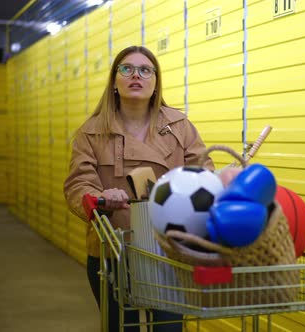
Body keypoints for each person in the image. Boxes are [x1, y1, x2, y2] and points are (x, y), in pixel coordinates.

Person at [63, 45, 214, 331]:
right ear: (115, 81)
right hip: (113, 253)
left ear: (156, 83)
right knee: (122, 326)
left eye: (145, 70)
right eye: (127, 69)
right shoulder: (91, 132)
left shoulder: (180, 126)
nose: (136, 75)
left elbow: (204, 172)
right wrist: (98, 197)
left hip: (169, 250)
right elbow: (77, 184)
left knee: (169, 327)